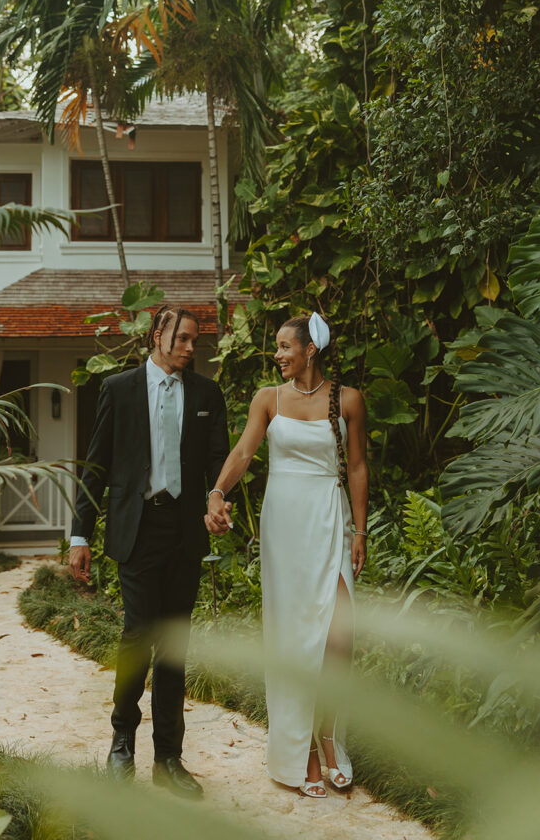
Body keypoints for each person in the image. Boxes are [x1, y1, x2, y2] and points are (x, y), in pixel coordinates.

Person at [69, 305, 229, 799]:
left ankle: (169, 758)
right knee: (138, 636)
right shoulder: (118, 389)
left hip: (184, 531)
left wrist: (218, 497)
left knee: (174, 645)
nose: (188, 348)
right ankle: (122, 744)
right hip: (136, 530)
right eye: (181, 338)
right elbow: (95, 465)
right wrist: (80, 536)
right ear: (157, 335)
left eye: (194, 341)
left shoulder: (206, 393)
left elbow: (219, 457)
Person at [205, 312, 368, 798]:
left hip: (330, 517)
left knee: (338, 635)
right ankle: (302, 753)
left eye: (284, 347)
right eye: (276, 347)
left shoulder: (348, 400)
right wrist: (216, 492)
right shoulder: (268, 399)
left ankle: (330, 735)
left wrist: (359, 529)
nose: (276, 355)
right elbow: (242, 454)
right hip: (285, 523)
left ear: (309, 350)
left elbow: (357, 466)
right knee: (294, 636)